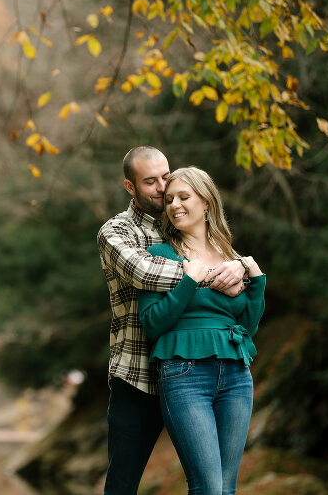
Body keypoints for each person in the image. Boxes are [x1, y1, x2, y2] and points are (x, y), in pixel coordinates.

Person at [97, 146, 247, 495]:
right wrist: (214, 273)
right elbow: (144, 272)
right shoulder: (117, 231)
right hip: (138, 376)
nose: (163, 187)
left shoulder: (181, 220)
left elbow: (222, 258)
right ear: (130, 187)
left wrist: (239, 266)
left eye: (166, 176)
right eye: (150, 182)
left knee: (212, 484)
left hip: (194, 368)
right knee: (123, 483)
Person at [138, 167, 265, 495]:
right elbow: (152, 323)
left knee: (226, 488)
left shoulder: (231, 259)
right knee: (207, 486)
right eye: (169, 200)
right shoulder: (160, 257)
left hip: (237, 375)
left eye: (184, 197)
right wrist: (189, 280)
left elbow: (247, 327)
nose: (174, 205)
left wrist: (256, 276)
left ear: (206, 202)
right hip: (184, 375)